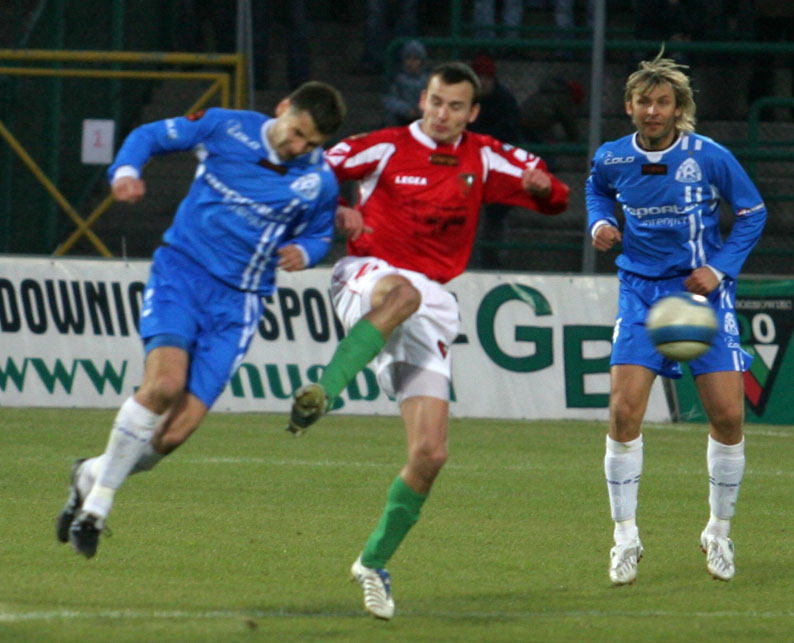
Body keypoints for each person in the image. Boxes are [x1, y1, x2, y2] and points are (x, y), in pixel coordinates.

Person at [288, 62, 570, 619]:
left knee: (430, 454)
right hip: (370, 275)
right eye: (436, 102)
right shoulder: (384, 146)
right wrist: (335, 207)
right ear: (422, 100)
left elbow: (552, 192)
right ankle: (324, 391)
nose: (443, 114)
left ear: (473, 112)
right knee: (403, 294)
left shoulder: (484, 156)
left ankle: (372, 564)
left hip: (433, 303)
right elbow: (309, 171)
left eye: (456, 106)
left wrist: (546, 189)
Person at [55, 82, 346, 559]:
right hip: (182, 275)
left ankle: (89, 474)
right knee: (164, 385)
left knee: (174, 434)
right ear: (282, 107)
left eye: (310, 143)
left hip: (239, 304)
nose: (298, 147)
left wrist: (305, 251)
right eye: (296, 133)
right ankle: (97, 509)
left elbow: (318, 234)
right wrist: (126, 170)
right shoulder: (224, 126)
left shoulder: (319, 181)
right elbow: (149, 136)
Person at [585, 51, 767, 586]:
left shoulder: (709, 157)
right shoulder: (613, 157)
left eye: (663, 102)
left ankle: (719, 531)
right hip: (640, 294)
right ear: (629, 106)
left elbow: (753, 212)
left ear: (678, 108)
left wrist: (720, 268)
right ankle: (625, 537)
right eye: (644, 101)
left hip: (700, 293)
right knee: (623, 413)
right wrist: (599, 223)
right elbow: (597, 189)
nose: (653, 110)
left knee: (728, 417)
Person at [467, 52, 522, 269]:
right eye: (479, 78)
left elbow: (509, 134)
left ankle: (494, 264)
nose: (483, 83)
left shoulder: (504, 101)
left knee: (496, 219)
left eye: (486, 78)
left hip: (497, 168)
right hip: (470, 166)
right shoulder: (466, 100)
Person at [382, 39, 430, 127]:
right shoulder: (396, 78)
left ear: (422, 61)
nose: (411, 62)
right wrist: (406, 109)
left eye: (416, 59)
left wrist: (421, 109)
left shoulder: (430, 79)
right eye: (408, 58)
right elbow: (389, 99)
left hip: (423, 116)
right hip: (402, 117)